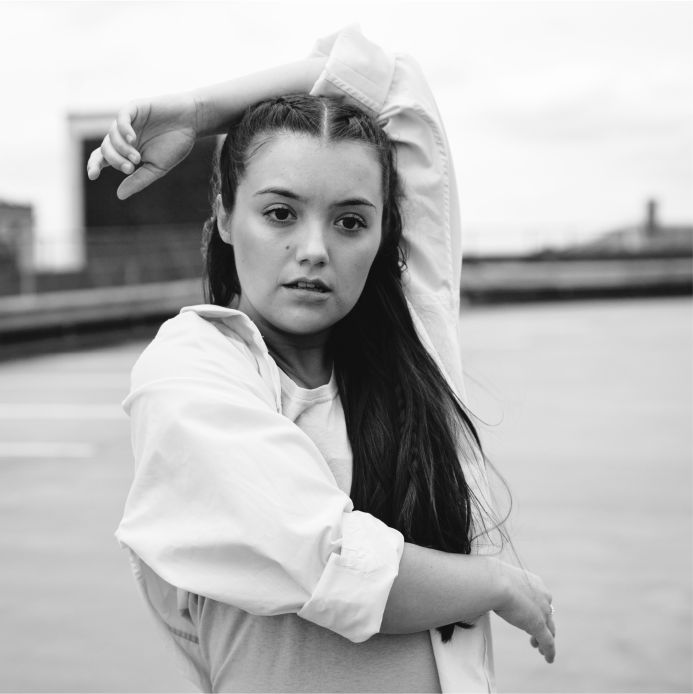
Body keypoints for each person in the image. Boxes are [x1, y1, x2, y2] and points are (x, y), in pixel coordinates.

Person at [88, 26, 555, 693]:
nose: (314, 249)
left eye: (349, 222)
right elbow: (327, 560)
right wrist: (493, 582)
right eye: (280, 213)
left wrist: (200, 112)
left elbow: (392, 86)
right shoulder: (189, 372)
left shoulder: (411, 351)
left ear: (382, 234)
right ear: (223, 214)